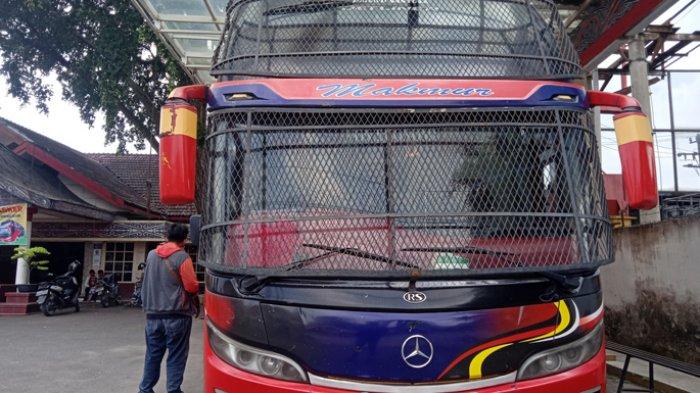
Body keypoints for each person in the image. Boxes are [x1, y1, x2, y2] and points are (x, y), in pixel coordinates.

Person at [138, 224, 199, 393]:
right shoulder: (182, 257)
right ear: (184, 239)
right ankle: (173, 390)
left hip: (152, 316)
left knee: (152, 356)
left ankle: (145, 389)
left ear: (166, 236)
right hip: (177, 315)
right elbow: (192, 286)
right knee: (176, 356)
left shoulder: (151, 255)